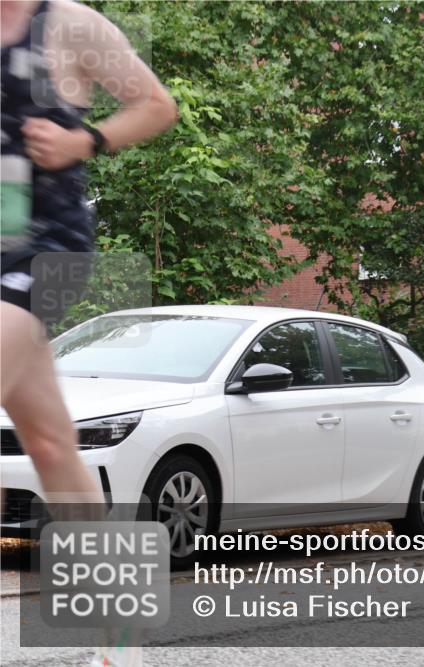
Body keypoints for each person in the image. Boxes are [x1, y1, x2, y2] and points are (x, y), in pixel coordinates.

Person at [1, 1, 177, 663]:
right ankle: (123, 628)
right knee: (50, 445)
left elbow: (156, 105)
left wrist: (85, 140)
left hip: (47, 249)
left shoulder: (68, 24)